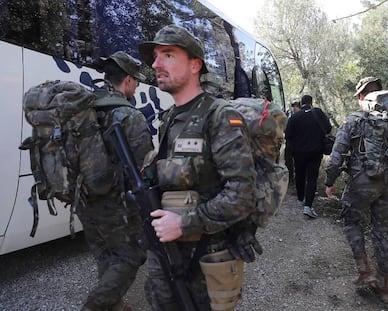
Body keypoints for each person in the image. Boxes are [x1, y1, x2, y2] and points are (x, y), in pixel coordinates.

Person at [138, 24, 259, 311]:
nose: (155, 64)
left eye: (167, 55)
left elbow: (243, 196)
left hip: (204, 260)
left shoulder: (219, 115)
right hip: (166, 254)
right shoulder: (169, 117)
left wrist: (183, 223)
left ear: (195, 65)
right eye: (155, 56)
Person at [78, 51, 154, 311]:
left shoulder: (85, 108)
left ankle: (113, 304)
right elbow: (144, 166)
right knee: (130, 256)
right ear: (129, 81)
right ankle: (96, 306)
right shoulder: (129, 115)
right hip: (116, 202)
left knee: (104, 252)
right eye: (137, 82)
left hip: (85, 197)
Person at [325, 77, 388, 302]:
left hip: (362, 182)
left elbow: (336, 157)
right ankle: (384, 284)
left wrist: (329, 182)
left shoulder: (355, 120)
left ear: (360, 96)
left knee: (352, 221)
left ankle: (364, 270)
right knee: (382, 232)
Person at [285, 94, 332, 218]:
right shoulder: (318, 113)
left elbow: (287, 135)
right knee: (312, 177)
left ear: (301, 104)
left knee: (300, 175)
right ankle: (308, 206)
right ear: (312, 102)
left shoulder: (295, 116)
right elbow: (328, 128)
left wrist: (293, 148)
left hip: (299, 152)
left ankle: (300, 199)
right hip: (316, 152)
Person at [284, 101, 301, 184]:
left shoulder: (296, 117)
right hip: (291, 143)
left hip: (296, 143)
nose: (294, 108)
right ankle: (291, 179)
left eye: (295, 106)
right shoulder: (291, 116)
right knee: (289, 161)